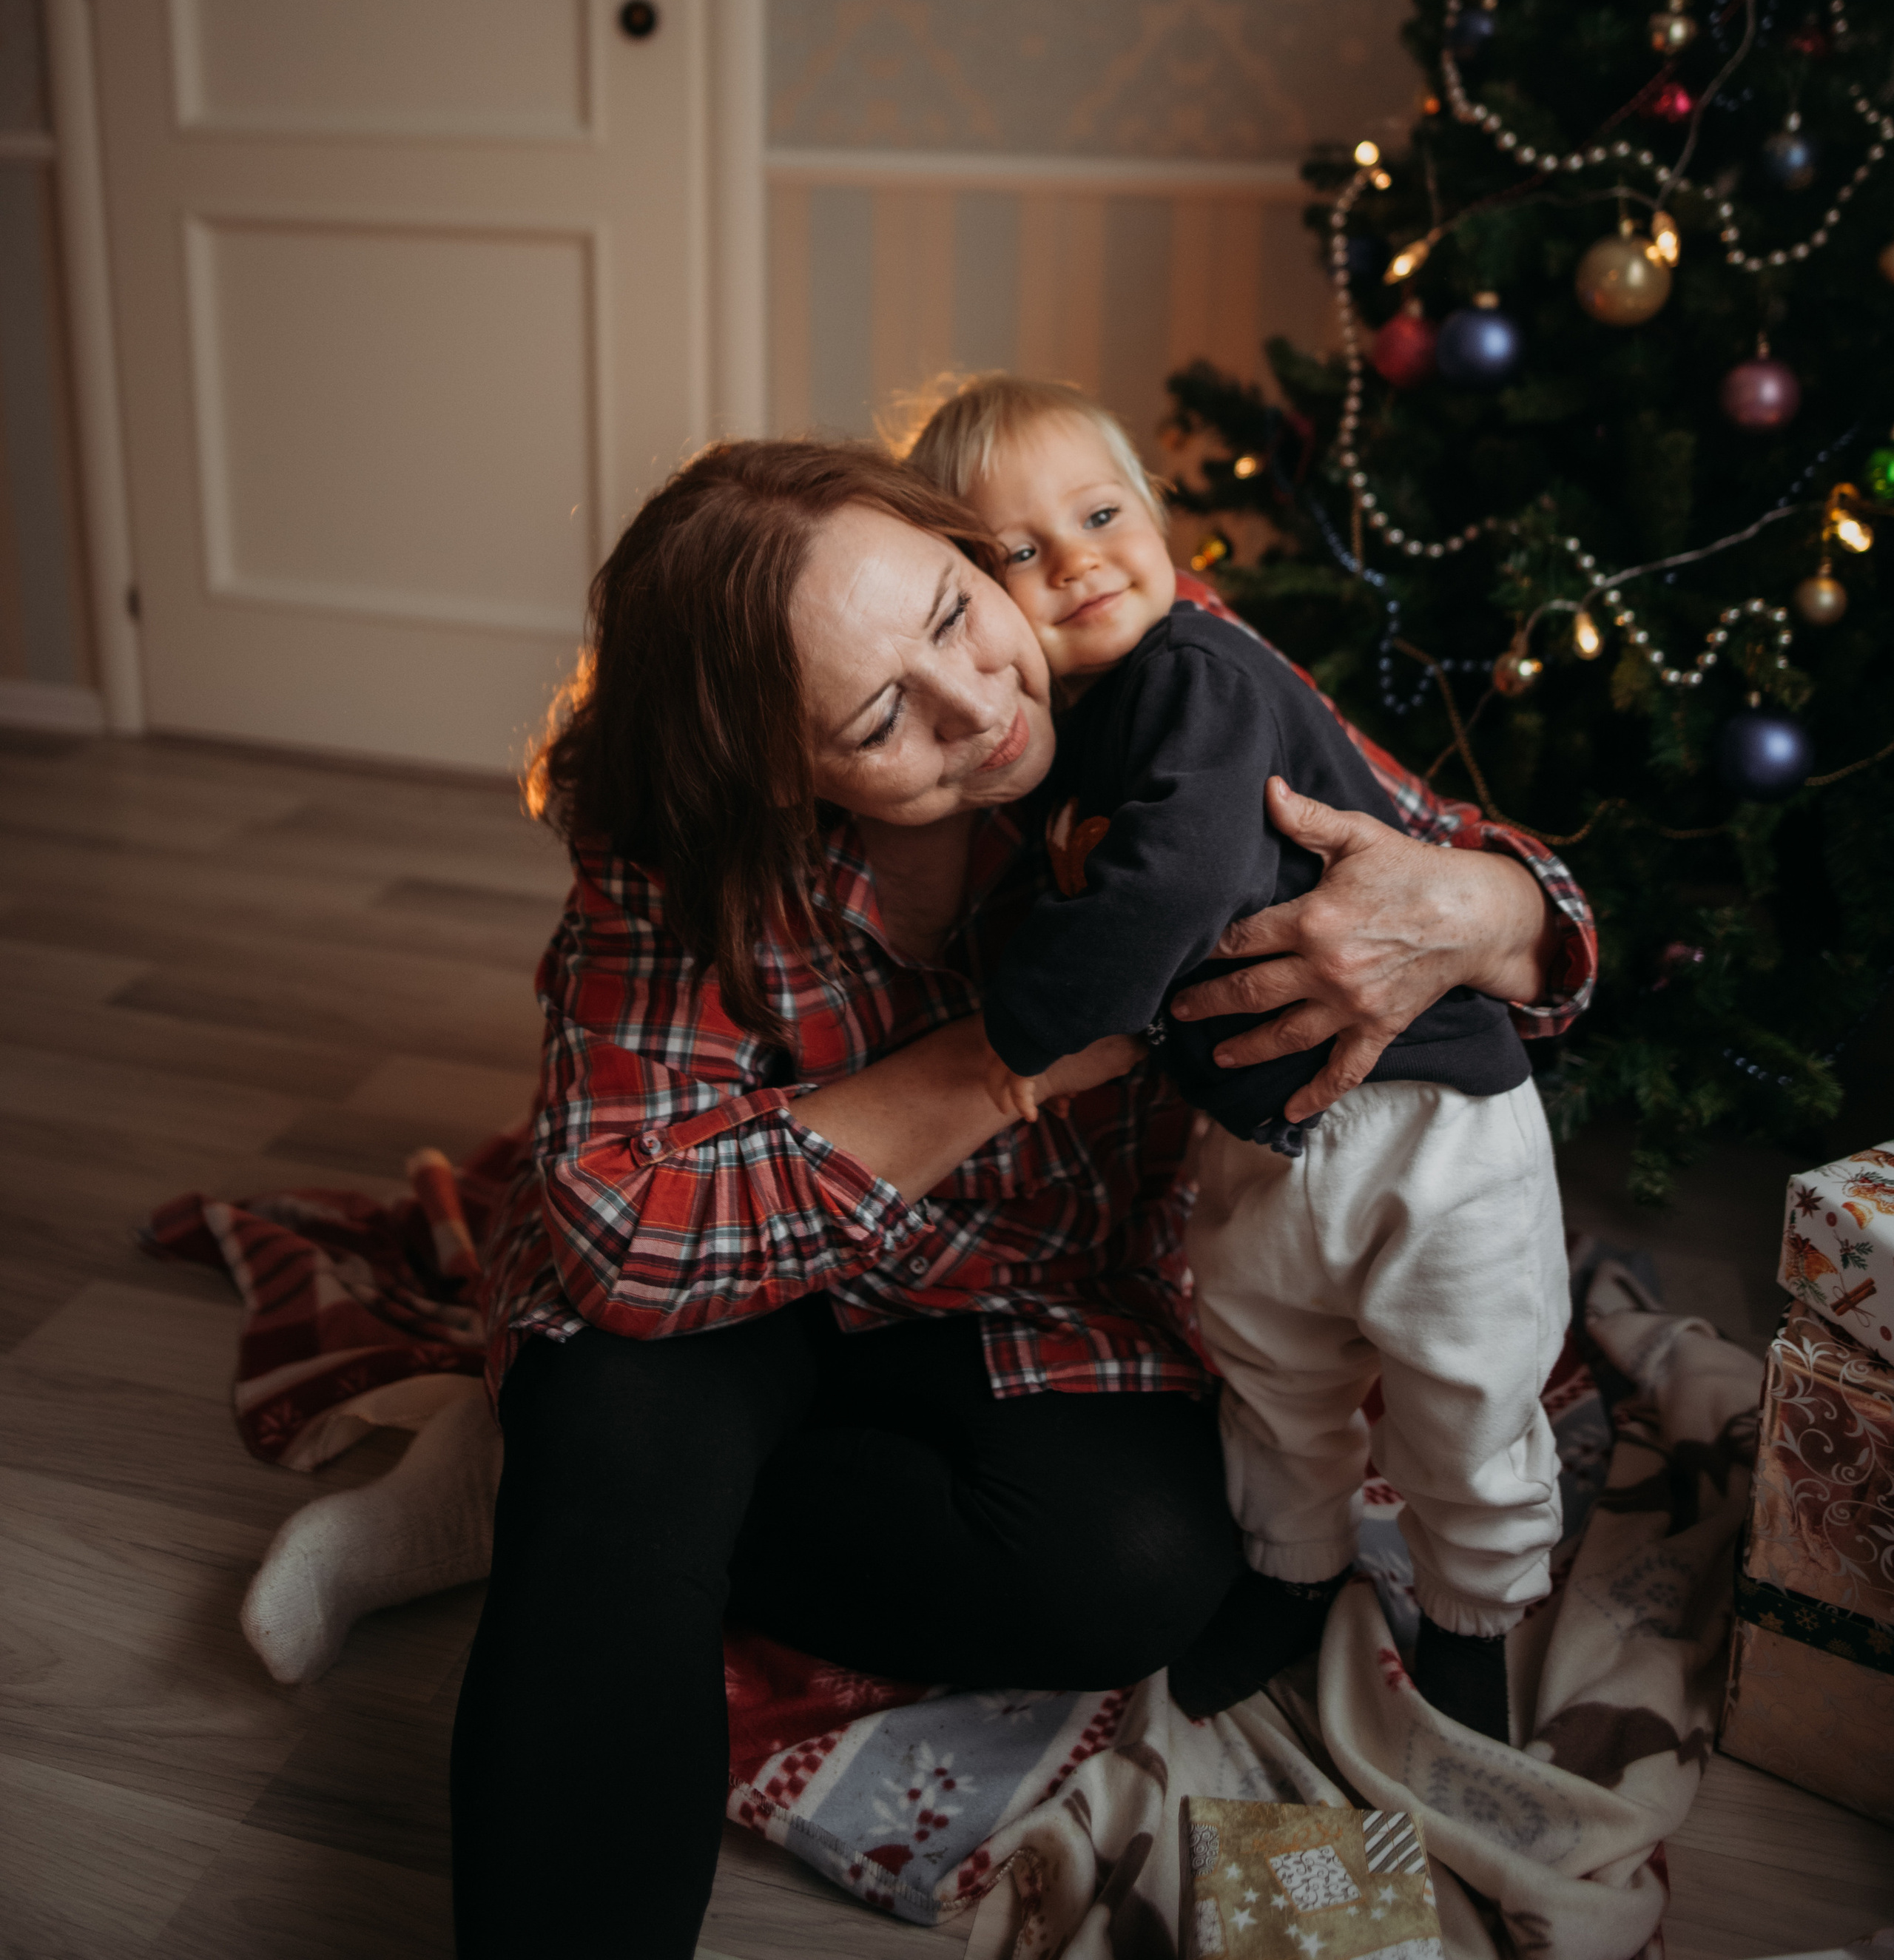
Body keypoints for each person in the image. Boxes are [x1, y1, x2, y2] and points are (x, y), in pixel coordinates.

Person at [449, 438, 1594, 1959]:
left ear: (969, 550)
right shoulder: (676, 832)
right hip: (745, 1270)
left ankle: (562, 1511)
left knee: (1137, 1572)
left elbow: (1551, 911)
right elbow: (620, 1235)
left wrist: (1476, 909)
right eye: (878, 722)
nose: (980, 710)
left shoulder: (1138, 651)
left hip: (1028, 1284)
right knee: (615, 1440)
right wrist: (1001, 1067)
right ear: (775, 773)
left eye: (948, 614)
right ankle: (593, 1519)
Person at [903, 373, 1571, 1742]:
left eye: (1098, 514)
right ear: (971, 597)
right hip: (1259, 1133)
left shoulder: (1195, 672)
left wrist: (1017, 1036)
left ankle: (1468, 1626)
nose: (1077, 560)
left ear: (1157, 519)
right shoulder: (1078, 733)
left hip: (1427, 1118)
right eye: (1019, 552)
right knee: (1273, 1379)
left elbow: (1168, 888)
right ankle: (1290, 1576)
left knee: (1466, 1396)